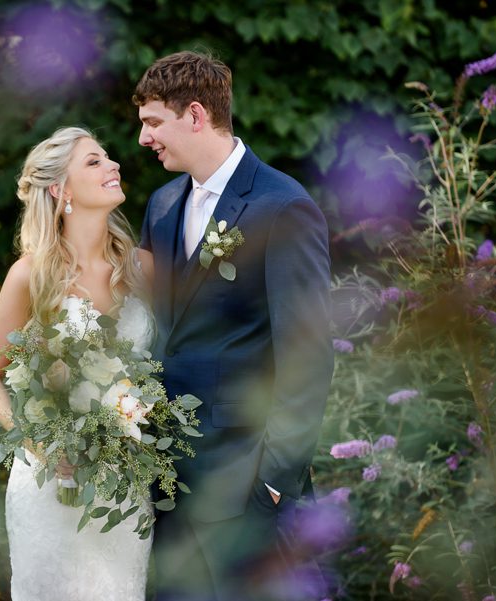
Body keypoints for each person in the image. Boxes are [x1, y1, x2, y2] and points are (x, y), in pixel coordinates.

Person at [134, 51, 334, 601]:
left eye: (154, 123)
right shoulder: (162, 204)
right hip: (165, 484)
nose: (144, 139)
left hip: (244, 487)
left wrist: (273, 483)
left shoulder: (281, 207)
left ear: (195, 115)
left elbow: (308, 352)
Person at [0, 126, 156, 601]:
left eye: (108, 157)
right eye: (94, 161)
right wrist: (37, 444)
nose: (113, 165)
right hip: (49, 488)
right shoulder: (30, 275)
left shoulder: (144, 270)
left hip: (123, 486)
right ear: (60, 189)